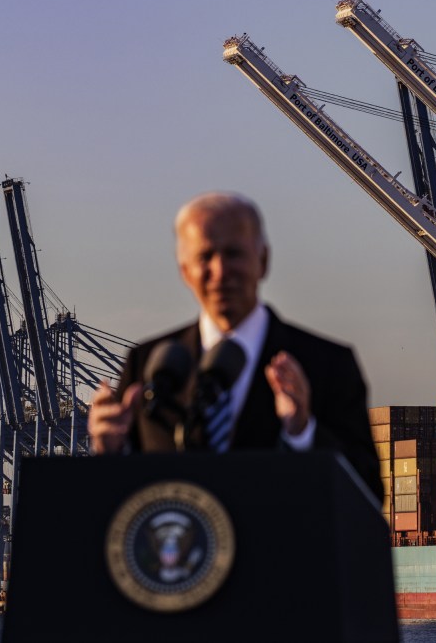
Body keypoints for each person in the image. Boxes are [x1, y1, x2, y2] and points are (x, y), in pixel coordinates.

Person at [87, 191, 383, 501]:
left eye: (234, 254)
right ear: (185, 271)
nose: (220, 271)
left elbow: (369, 495)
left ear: (264, 261)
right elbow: (112, 507)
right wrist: (109, 452)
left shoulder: (326, 364)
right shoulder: (146, 363)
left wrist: (303, 432)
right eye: (205, 256)